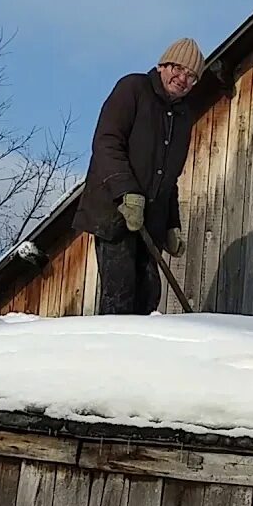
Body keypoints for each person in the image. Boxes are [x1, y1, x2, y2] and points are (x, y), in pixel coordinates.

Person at [72, 37, 203, 315]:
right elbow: (106, 143)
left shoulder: (182, 116)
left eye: (191, 76)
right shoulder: (133, 89)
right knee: (120, 294)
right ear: (162, 65)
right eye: (178, 69)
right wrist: (127, 191)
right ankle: (110, 354)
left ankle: (140, 357)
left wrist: (171, 224)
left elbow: (169, 177)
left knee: (148, 294)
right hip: (114, 214)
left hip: (149, 223)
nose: (182, 78)